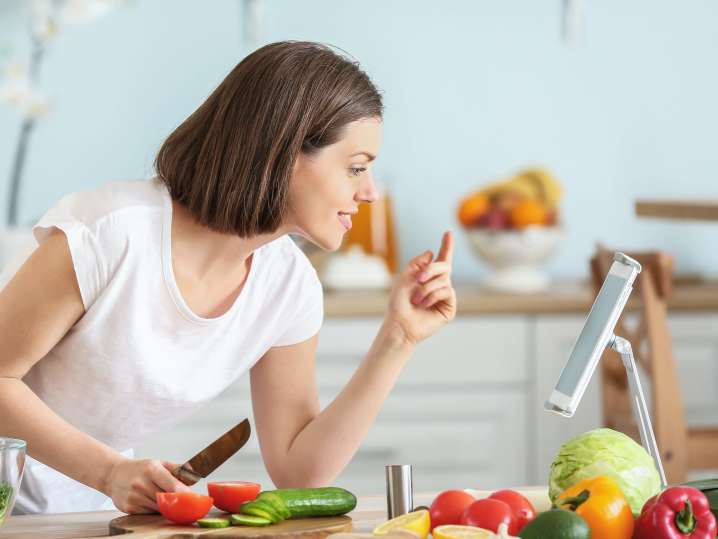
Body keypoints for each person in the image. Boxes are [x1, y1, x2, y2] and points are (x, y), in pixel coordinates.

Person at [0, 41, 456, 515]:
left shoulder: (288, 285)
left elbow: (298, 470)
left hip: (82, 510)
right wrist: (108, 472)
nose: (370, 194)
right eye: (356, 167)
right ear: (285, 151)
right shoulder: (111, 234)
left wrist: (398, 338)